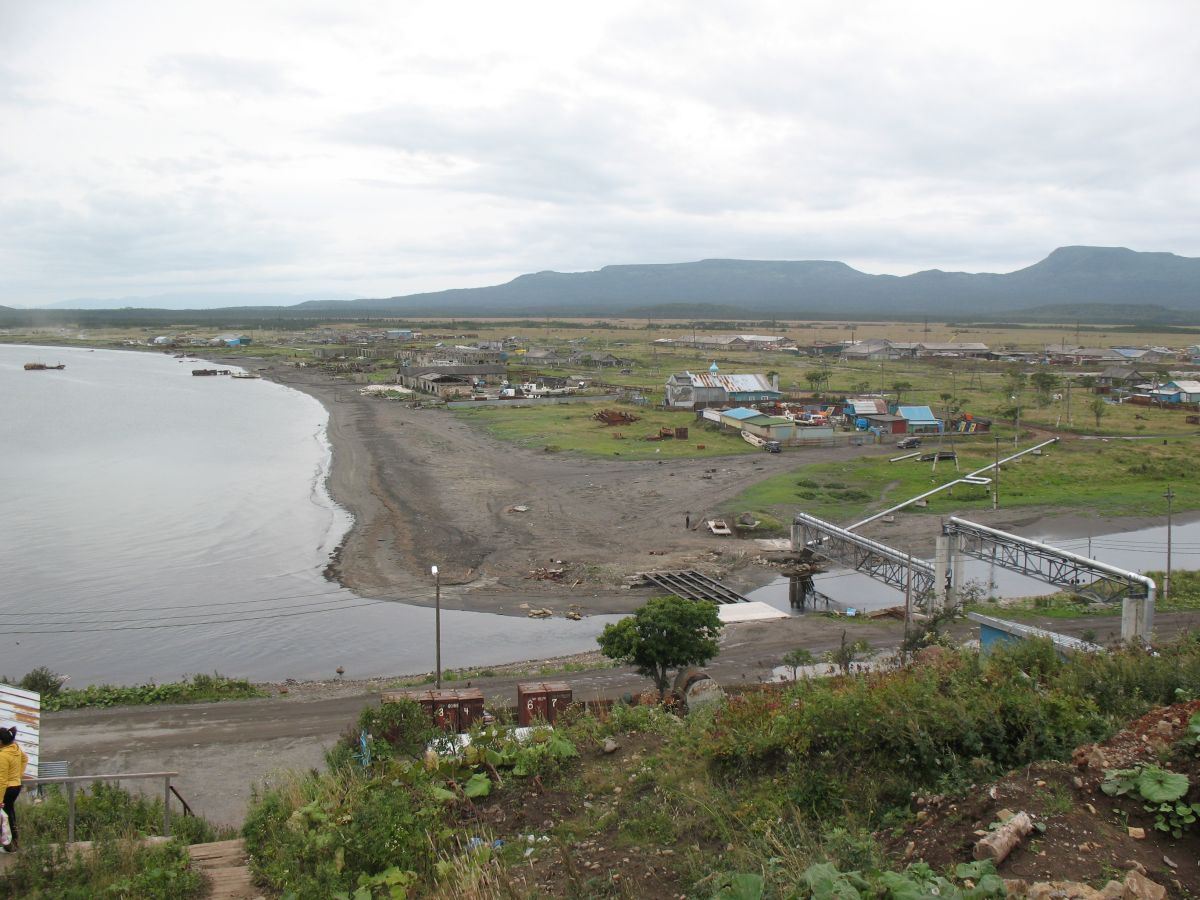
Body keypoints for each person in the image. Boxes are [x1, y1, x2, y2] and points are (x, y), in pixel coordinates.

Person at [0, 727, 27, 851]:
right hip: (15, 786)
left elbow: (2, 780)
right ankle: (13, 843)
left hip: (7, 789)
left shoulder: (3, 755)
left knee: (5, 816)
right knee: (10, 814)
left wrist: (0, 799)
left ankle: (9, 844)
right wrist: (18, 776)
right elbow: (25, 759)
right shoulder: (15, 748)